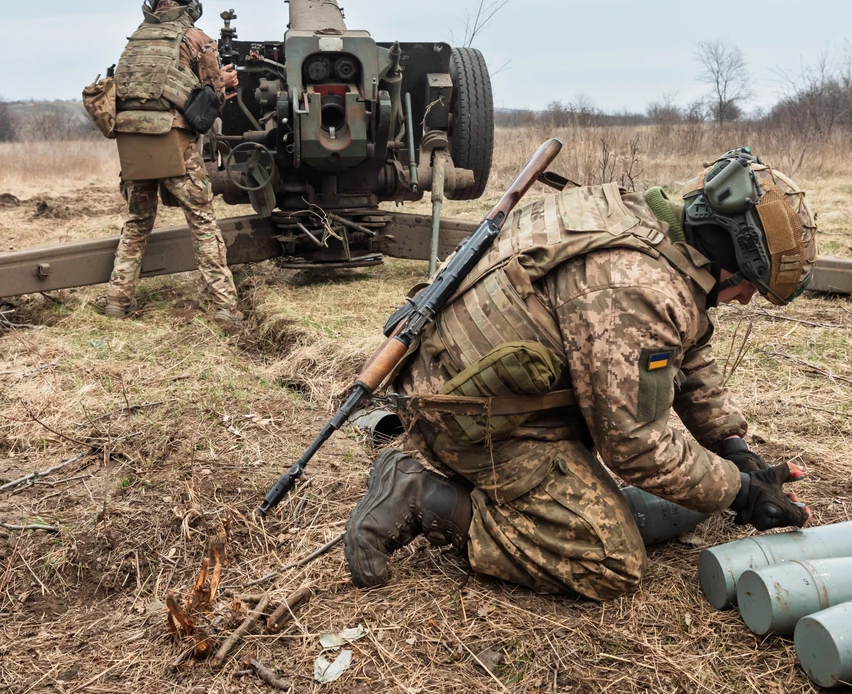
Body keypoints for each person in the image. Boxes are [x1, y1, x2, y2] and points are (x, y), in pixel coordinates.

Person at [346, 148, 818, 601]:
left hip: (462, 381)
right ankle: (426, 496)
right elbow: (635, 448)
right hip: (472, 421)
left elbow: (686, 346)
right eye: (748, 287)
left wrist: (730, 445)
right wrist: (738, 492)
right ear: (730, 259)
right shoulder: (637, 288)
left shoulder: (641, 220)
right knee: (610, 560)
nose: (745, 300)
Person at [101, 0, 241, 322]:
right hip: (173, 140)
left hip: (132, 142)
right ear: (191, 7)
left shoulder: (136, 39)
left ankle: (116, 303)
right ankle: (226, 308)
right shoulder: (196, 38)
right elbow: (212, 96)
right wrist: (226, 82)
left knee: (136, 224)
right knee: (203, 223)